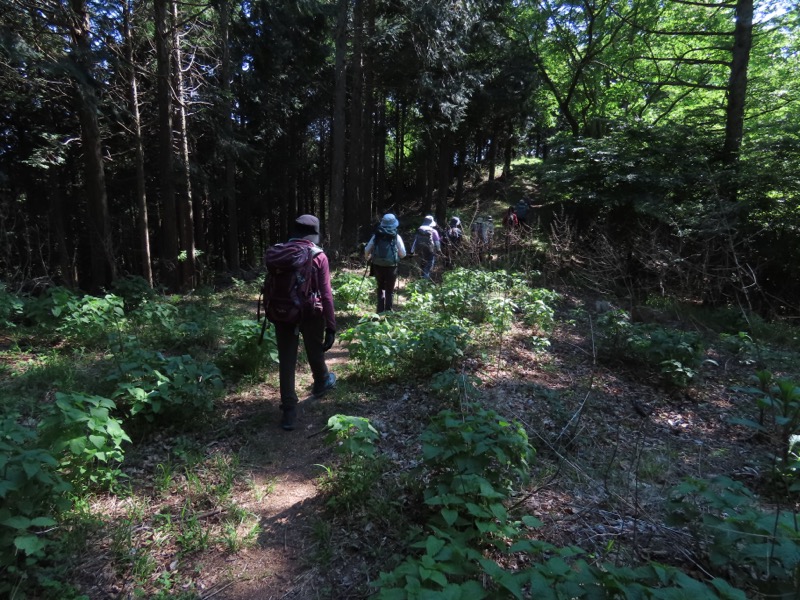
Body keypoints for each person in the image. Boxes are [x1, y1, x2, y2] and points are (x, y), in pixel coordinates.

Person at [269, 215, 336, 431]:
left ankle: (288, 412)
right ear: (313, 235)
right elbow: (326, 294)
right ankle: (321, 383)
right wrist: (331, 325)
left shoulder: (280, 253)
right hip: (310, 312)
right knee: (315, 348)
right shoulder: (318, 256)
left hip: (282, 311)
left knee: (286, 360)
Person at [364, 213, 407, 313]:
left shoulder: (377, 235)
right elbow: (403, 254)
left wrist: (368, 258)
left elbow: (367, 249)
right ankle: (388, 311)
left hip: (377, 265)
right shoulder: (396, 236)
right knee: (390, 289)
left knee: (380, 287)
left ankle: (379, 310)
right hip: (392, 266)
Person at [410, 215, 441, 279]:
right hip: (430, 250)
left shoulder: (419, 230)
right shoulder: (434, 231)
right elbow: (437, 243)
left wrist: (412, 251)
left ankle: (421, 278)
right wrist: (439, 250)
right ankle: (425, 282)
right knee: (428, 266)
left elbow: (415, 241)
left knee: (422, 264)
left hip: (420, 250)